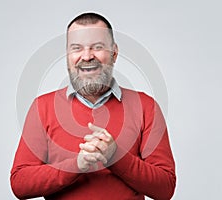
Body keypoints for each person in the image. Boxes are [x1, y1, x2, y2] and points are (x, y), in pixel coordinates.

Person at [10, 12, 176, 200]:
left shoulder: (146, 107)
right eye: (76, 48)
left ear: (114, 53)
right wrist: (76, 166)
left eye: (97, 47)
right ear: (68, 56)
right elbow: (19, 184)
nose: (87, 56)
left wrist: (116, 156)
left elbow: (165, 188)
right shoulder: (42, 107)